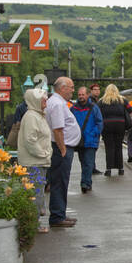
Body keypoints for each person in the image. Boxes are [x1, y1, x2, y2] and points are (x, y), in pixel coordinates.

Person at [45, 76, 80, 227]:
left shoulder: (56, 101)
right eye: (71, 87)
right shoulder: (58, 104)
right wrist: (63, 149)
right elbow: (58, 129)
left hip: (60, 147)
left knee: (60, 181)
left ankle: (60, 214)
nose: (73, 90)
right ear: (62, 88)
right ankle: (57, 217)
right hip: (61, 148)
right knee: (60, 181)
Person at [17, 88, 53, 233]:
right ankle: (32, 225)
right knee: (34, 194)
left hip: (38, 161)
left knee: (36, 192)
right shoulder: (32, 117)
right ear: (36, 101)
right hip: (34, 162)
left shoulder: (38, 115)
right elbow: (30, 140)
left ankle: (34, 222)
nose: (46, 101)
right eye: (43, 99)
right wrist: (43, 153)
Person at [70, 86, 103, 193]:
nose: (81, 97)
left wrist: (93, 133)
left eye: (83, 94)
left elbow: (99, 122)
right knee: (83, 162)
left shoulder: (94, 108)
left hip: (90, 140)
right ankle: (86, 182)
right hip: (79, 140)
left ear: (88, 95)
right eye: (79, 95)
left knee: (88, 163)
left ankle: (85, 183)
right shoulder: (74, 109)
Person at [98, 84, 132, 176]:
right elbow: (130, 109)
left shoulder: (102, 101)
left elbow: (97, 111)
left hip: (107, 126)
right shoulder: (122, 100)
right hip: (120, 125)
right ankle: (120, 169)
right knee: (118, 147)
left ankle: (108, 169)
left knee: (109, 147)